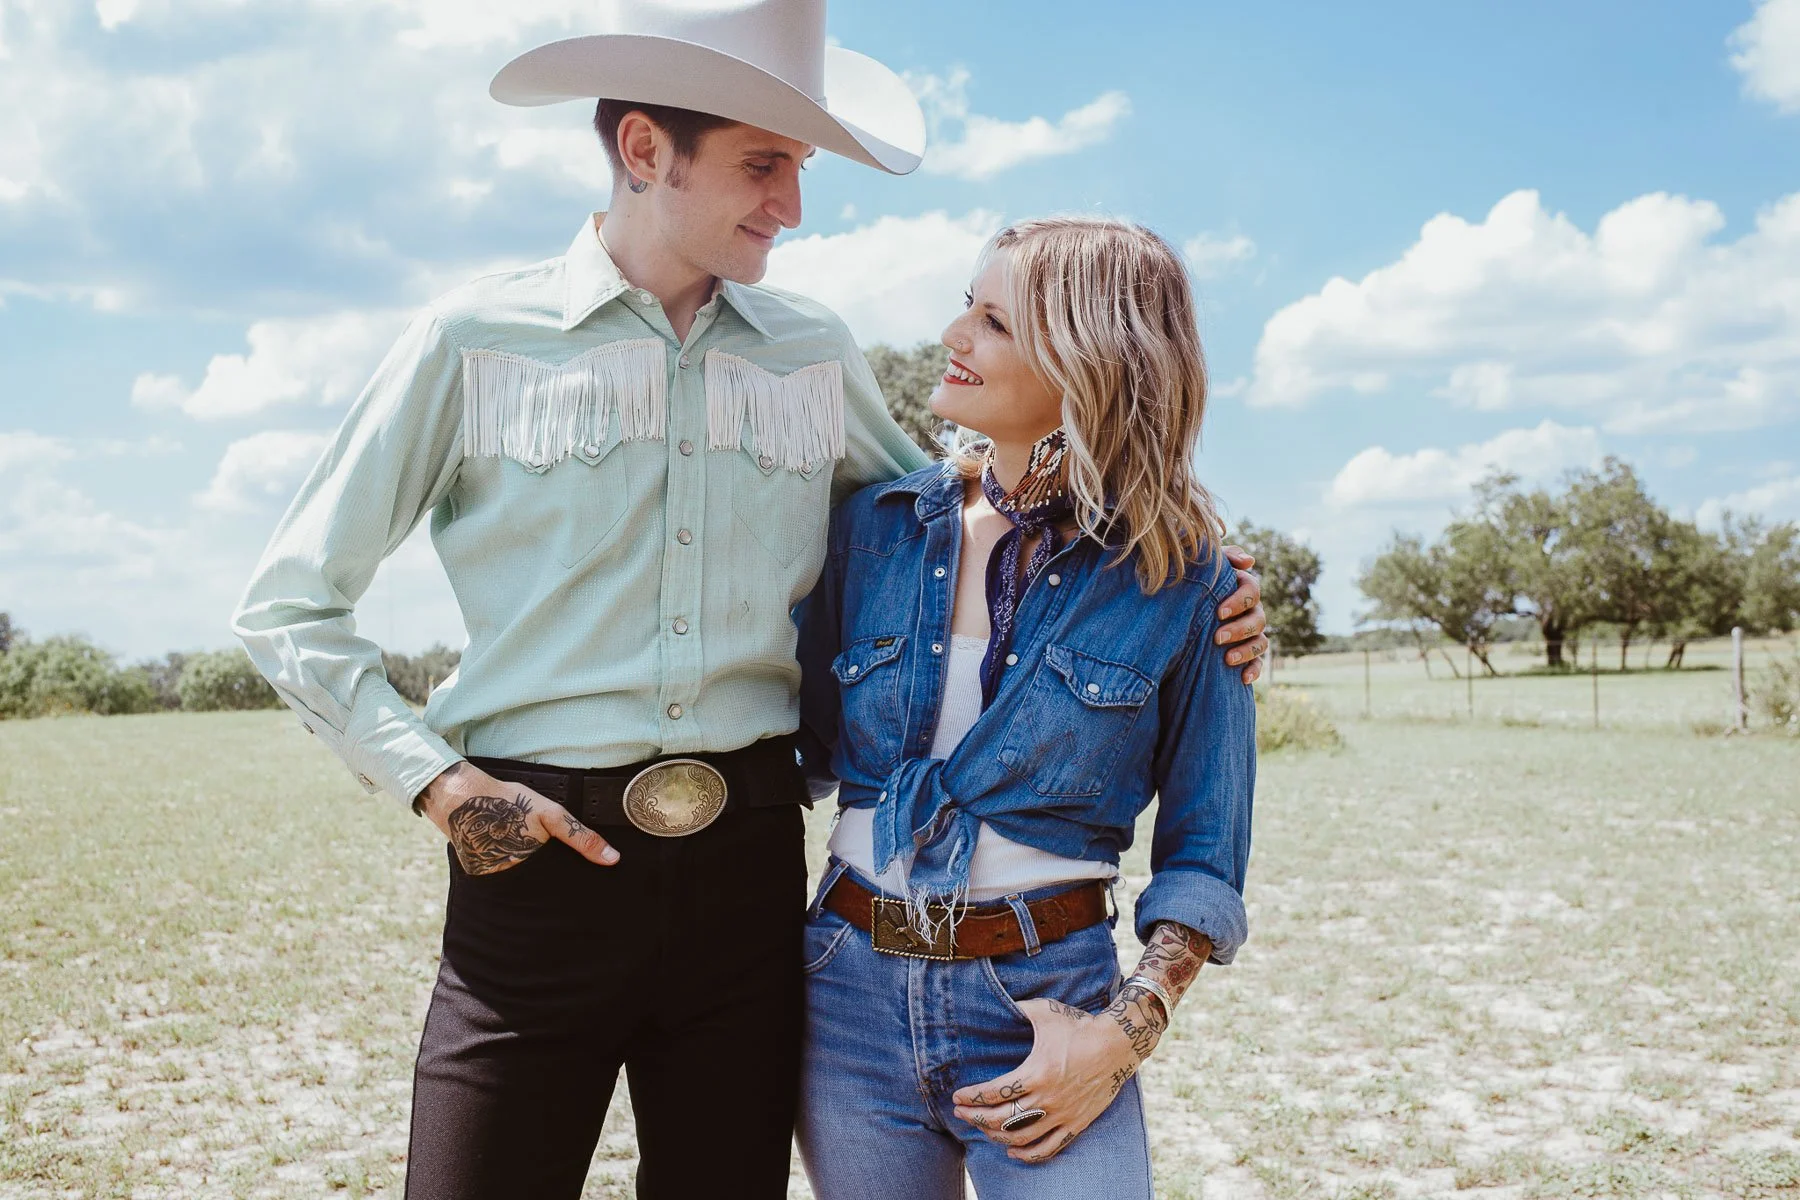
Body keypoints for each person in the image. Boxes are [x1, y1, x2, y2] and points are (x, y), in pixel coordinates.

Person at [233, 3, 1269, 1197]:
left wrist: (1207, 582)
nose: (791, 205)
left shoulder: (812, 353)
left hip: (752, 886)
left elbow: (977, 510)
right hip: (534, 871)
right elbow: (290, 603)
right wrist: (439, 782)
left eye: (799, 169)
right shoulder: (469, 340)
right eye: (760, 164)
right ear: (641, 148)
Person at [794, 215, 1257, 1199]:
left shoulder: (1189, 583)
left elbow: (1206, 855)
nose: (956, 336)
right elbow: (795, 743)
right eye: (967, 306)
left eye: (995, 321)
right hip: (846, 994)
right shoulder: (874, 531)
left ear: (1088, 361)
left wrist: (1125, 1032)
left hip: (1052, 997)